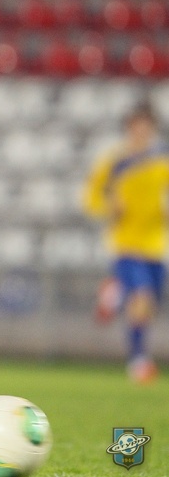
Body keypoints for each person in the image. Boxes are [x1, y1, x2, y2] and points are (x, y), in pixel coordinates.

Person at [83, 101, 169, 384]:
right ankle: (138, 361)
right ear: (129, 128)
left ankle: (114, 294)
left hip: (156, 244)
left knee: (148, 304)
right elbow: (92, 197)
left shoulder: (162, 160)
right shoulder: (115, 161)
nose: (141, 131)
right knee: (141, 298)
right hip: (126, 243)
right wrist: (110, 207)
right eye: (137, 126)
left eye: (146, 126)